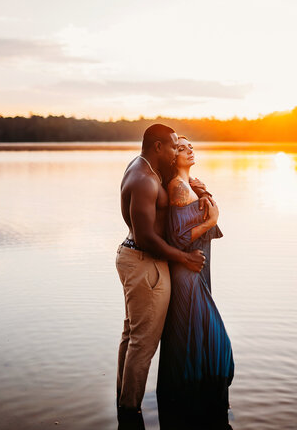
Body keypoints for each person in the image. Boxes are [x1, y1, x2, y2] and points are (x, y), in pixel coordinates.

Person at [116, 124, 213, 429]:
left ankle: (123, 402)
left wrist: (200, 192)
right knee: (143, 342)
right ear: (157, 146)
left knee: (132, 335)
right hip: (144, 261)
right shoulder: (144, 179)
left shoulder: (141, 166)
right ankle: (130, 412)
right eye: (172, 146)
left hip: (134, 258)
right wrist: (185, 257)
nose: (175, 151)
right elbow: (145, 236)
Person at [157, 136, 235, 430]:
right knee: (214, 345)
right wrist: (209, 220)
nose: (189, 150)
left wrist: (202, 192)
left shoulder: (188, 185)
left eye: (190, 146)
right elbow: (177, 238)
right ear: (170, 156)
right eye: (180, 147)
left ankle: (189, 406)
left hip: (197, 272)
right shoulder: (177, 186)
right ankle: (195, 403)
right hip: (187, 276)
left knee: (196, 341)